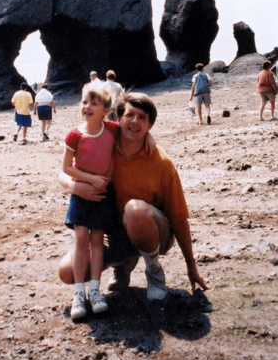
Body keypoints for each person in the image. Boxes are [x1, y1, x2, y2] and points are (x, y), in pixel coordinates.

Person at [58, 92, 209, 304]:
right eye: (130, 115)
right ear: (117, 119)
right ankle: (123, 264)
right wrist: (73, 187)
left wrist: (191, 266)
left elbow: (178, 217)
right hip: (114, 233)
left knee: (135, 210)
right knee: (67, 272)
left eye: (142, 117)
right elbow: (65, 171)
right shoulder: (105, 144)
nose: (135, 122)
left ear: (150, 126)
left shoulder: (162, 163)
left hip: (153, 231)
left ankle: (154, 272)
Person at [62, 83, 114, 319]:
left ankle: (95, 290)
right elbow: (65, 168)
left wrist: (105, 180)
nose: (88, 107)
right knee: (81, 238)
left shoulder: (112, 130)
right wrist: (90, 179)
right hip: (81, 194)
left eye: (94, 103)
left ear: (105, 109)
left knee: (97, 239)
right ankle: (79, 294)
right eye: (84, 102)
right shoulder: (74, 135)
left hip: (103, 194)